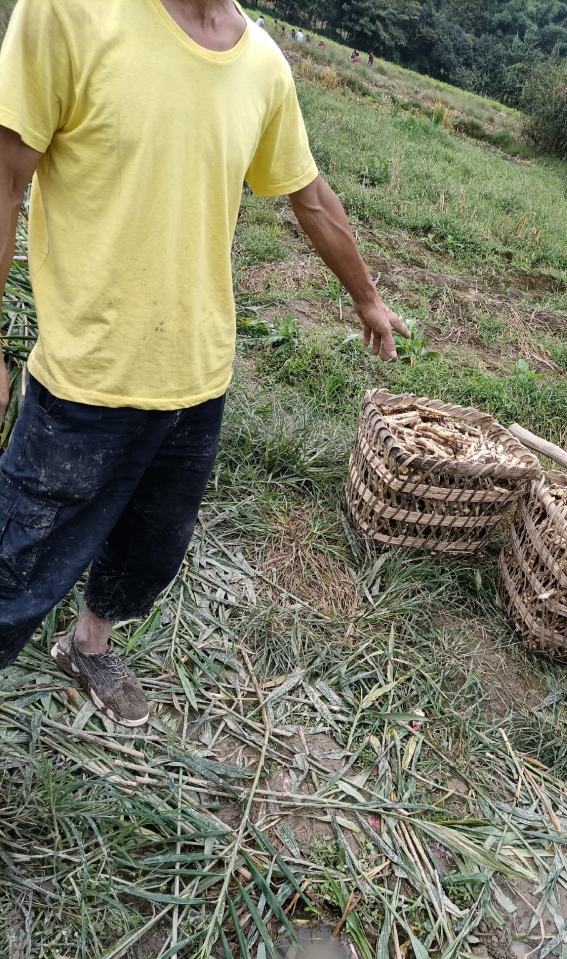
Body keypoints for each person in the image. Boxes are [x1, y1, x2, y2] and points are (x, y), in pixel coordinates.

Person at [0, 0, 409, 727]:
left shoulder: (262, 66)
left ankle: (88, 645)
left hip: (197, 382)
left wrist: (369, 300)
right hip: (85, 383)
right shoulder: (70, 13)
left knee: (151, 548)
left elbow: (309, 196)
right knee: (14, 570)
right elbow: (4, 179)